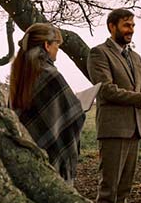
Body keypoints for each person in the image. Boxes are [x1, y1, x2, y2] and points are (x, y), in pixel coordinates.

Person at [87, 9, 141, 203]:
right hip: (113, 129)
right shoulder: (99, 53)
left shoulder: (136, 58)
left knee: (124, 190)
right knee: (108, 190)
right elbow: (107, 91)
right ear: (112, 26)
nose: (131, 30)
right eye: (126, 25)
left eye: (133, 25)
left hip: (134, 129)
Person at [9, 23, 86, 182]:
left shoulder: (20, 72)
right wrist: (79, 105)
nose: (58, 49)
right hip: (52, 155)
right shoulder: (49, 74)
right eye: (57, 44)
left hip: (28, 149)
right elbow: (73, 115)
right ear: (47, 45)